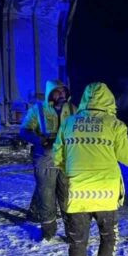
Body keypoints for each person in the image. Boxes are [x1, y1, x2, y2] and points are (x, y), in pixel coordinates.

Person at [53, 82, 128, 256]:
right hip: (105, 196)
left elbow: (57, 158)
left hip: (77, 195)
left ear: (84, 100)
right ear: (109, 101)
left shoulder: (69, 123)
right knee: (108, 237)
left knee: (77, 243)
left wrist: (73, 170)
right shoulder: (114, 124)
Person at [20, 80, 76, 241]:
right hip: (44, 158)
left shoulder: (73, 109)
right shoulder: (38, 110)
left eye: (64, 92)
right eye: (58, 92)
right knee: (46, 196)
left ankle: (72, 232)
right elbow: (24, 130)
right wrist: (41, 140)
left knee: (68, 196)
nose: (62, 95)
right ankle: (48, 232)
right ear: (50, 93)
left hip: (67, 160)